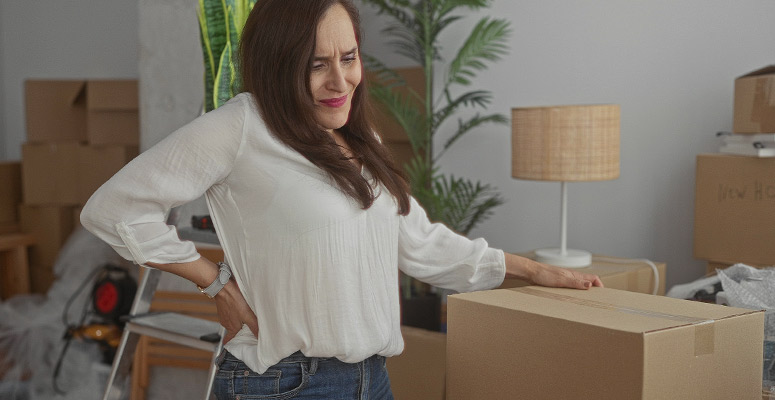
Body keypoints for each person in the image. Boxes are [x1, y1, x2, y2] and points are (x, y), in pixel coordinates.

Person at [80, 0, 604, 398]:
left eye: (348, 58)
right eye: (316, 65)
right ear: (279, 65)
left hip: (372, 379)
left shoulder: (357, 137)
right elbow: (113, 208)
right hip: (285, 382)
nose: (340, 81)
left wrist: (536, 272)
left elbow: (420, 243)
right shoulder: (241, 126)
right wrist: (213, 281)